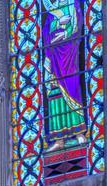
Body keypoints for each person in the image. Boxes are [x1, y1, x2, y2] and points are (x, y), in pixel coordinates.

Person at [41, 0, 87, 151]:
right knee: (55, 94)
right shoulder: (51, 11)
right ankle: (59, 139)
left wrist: (66, 33)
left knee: (73, 89)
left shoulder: (73, 5)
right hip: (54, 56)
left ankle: (79, 133)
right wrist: (57, 24)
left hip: (69, 55)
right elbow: (46, 33)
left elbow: (78, 24)